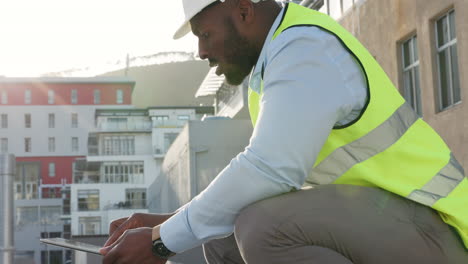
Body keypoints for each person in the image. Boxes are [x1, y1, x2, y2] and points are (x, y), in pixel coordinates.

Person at [100, 0, 468, 263]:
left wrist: (160, 242)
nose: (200, 51)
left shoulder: (305, 49)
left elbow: (269, 169)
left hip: (441, 231)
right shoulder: (275, 64)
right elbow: (260, 180)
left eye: (205, 33)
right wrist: (170, 223)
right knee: (222, 238)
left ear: (243, 10)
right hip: (395, 225)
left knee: (264, 227)